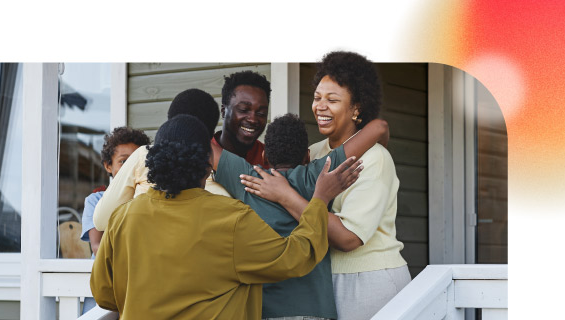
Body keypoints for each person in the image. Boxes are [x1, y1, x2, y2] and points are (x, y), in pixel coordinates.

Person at [90, 114, 360, 319]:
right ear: (207, 166)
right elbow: (295, 257)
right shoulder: (231, 218)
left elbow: (103, 292)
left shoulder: (123, 218)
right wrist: (319, 200)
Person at [239, 51, 411, 319]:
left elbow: (348, 238)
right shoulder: (313, 152)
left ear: (357, 108)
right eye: (318, 97)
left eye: (332, 100)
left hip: (368, 280)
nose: (320, 106)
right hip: (325, 279)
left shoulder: (376, 159)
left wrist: (285, 196)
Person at [212, 113, 389, 320]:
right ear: (307, 156)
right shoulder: (320, 175)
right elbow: (379, 126)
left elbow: (202, 148)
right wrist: (381, 149)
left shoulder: (250, 179)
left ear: (264, 157)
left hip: (266, 311)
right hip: (316, 310)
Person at [92, 88, 230, 231]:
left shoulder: (143, 155)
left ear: (168, 124)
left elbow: (102, 220)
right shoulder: (226, 180)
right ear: (210, 135)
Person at [79, 126, 150, 314]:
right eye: (124, 162)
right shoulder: (95, 200)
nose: (130, 168)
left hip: (139, 285)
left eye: (136, 161)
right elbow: (97, 245)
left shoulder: (148, 199)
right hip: (105, 283)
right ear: (108, 166)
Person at [213, 70, 271, 168]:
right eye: (243, 110)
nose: (252, 119)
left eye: (261, 113)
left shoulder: (270, 160)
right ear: (223, 111)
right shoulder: (201, 154)